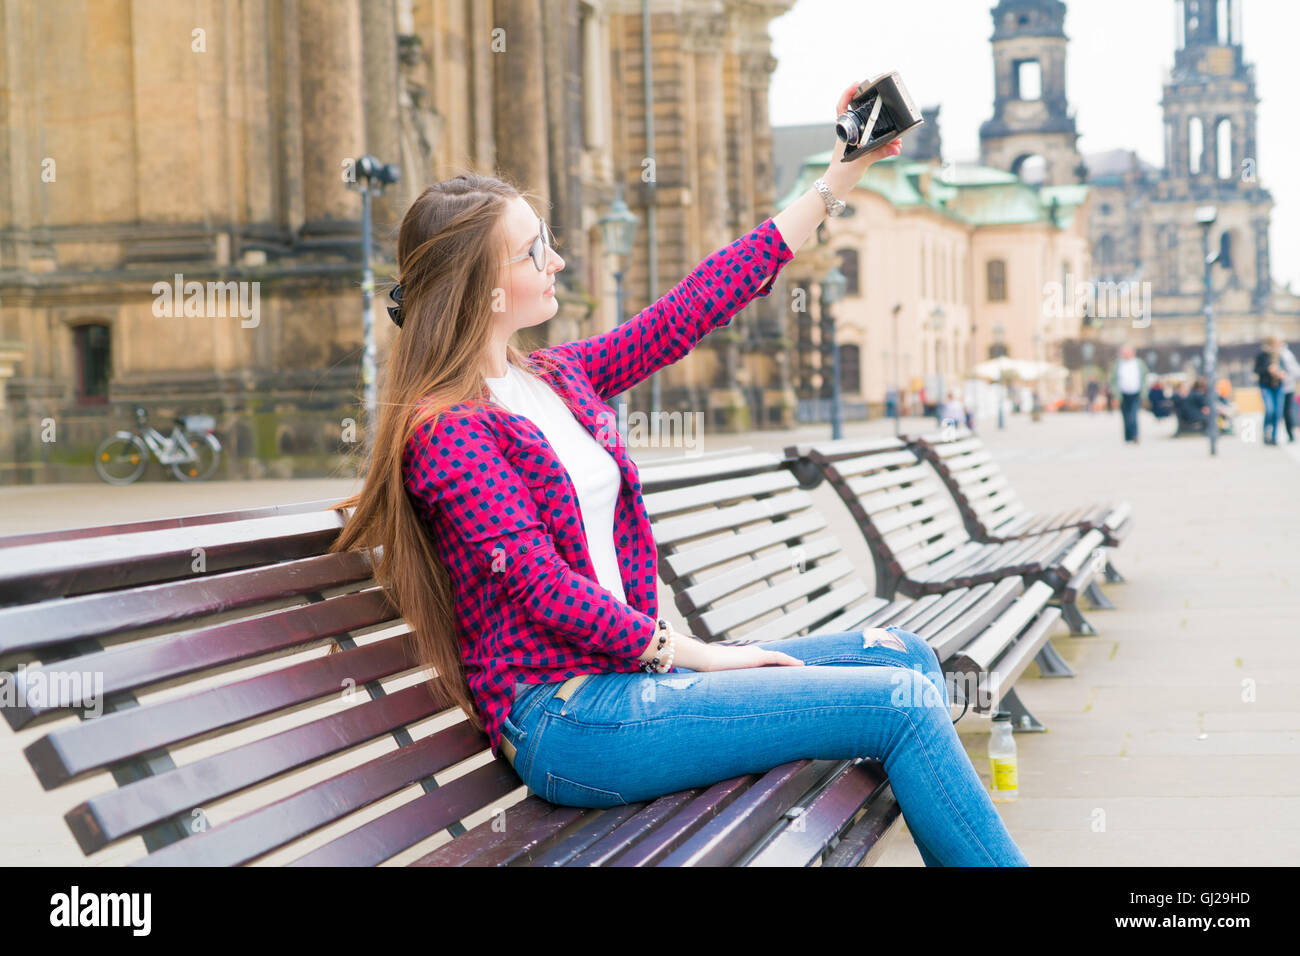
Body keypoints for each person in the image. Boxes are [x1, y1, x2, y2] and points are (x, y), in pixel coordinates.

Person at [323, 82, 1028, 867]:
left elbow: (693, 306)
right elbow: (541, 587)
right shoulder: (445, 430)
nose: (557, 260)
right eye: (533, 252)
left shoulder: (557, 375)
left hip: (636, 681)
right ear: (478, 286)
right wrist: (699, 654)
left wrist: (840, 175)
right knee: (896, 701)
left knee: (904, 658)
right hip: (574, 719)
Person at [1110, 345, 1149, 444]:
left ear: (1133, 353)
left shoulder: (1138, 363)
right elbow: (1113, 380)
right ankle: (1128, 437)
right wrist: (1115, 396)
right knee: (1126, 416)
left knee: (1133, 414)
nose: (1125, 355)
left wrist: (1144, 393)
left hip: (1135, 392)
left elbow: (1144, 378)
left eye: (1127, 352)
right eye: (1124, 353)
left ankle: (1135, 435)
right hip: (1122, 394)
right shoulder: (1118, 364)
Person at [1254, 336, 1286, 445]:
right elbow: (1256, 370)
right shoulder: (1262, 355)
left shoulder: (1279, 356)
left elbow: (1284, 369)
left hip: (1278, 386)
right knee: (1269, 410)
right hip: (1266, 386)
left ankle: (1274, 437)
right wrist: (1268, 370)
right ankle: (1266, 432)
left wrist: (1282, 373)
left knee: (1277, 413)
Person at [1278, 340, 1300, 444]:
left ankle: (1290, 433)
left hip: (1286, 386)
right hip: (1285, 386)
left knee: (1286, 411)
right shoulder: (1284, 354)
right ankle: (1289, 433)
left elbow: (1294, 370)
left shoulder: (1285, 355)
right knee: (1286, 410)